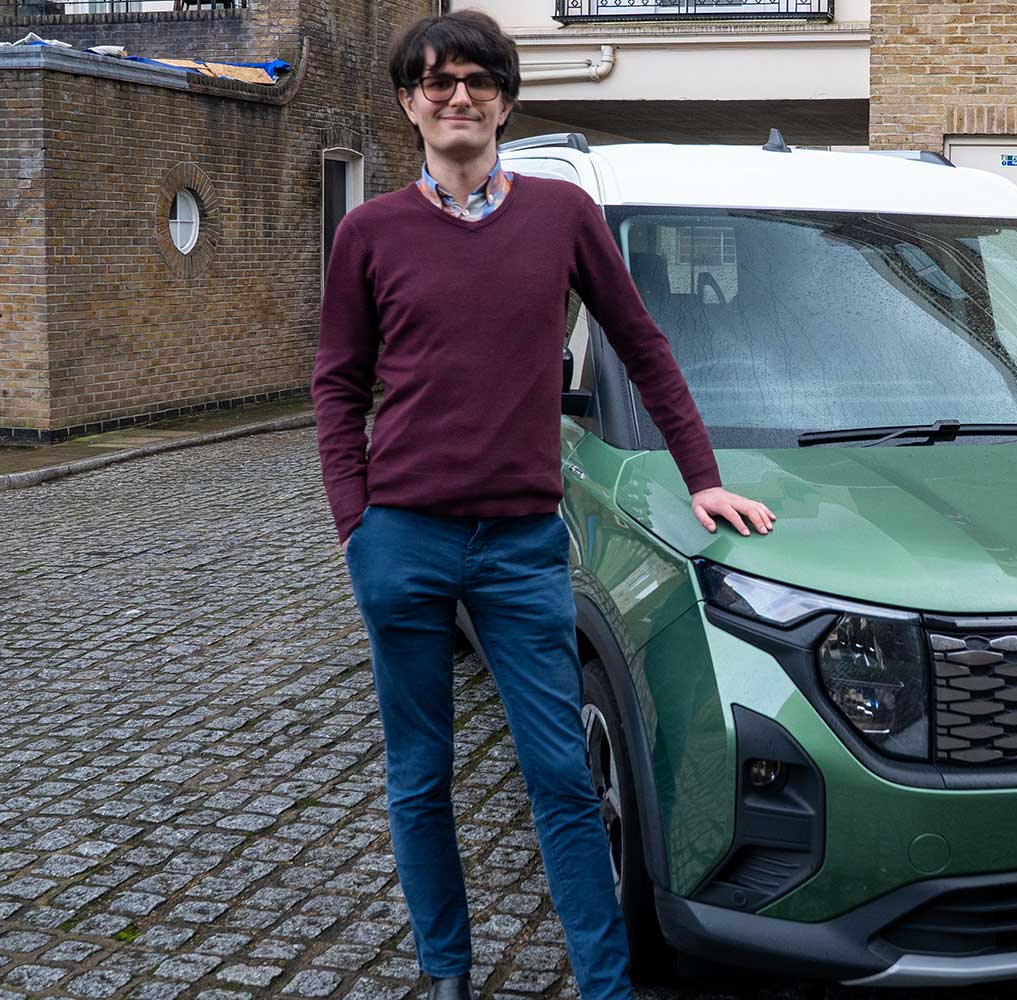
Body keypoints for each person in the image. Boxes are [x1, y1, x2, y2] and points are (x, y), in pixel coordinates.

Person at [311, 12, 774, 1000]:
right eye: (436, 82)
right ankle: (447, 969)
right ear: (409, 102)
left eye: (477, 81)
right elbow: (337, 385)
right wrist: (356, 527)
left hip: (522, 548)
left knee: (562, 779)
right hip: (404, 537)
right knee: (418, 775)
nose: (458, 97)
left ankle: (605, 985)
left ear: (505, 101)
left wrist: (700, 476)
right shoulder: (370, 232)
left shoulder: (562, 216)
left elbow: (643, 346)